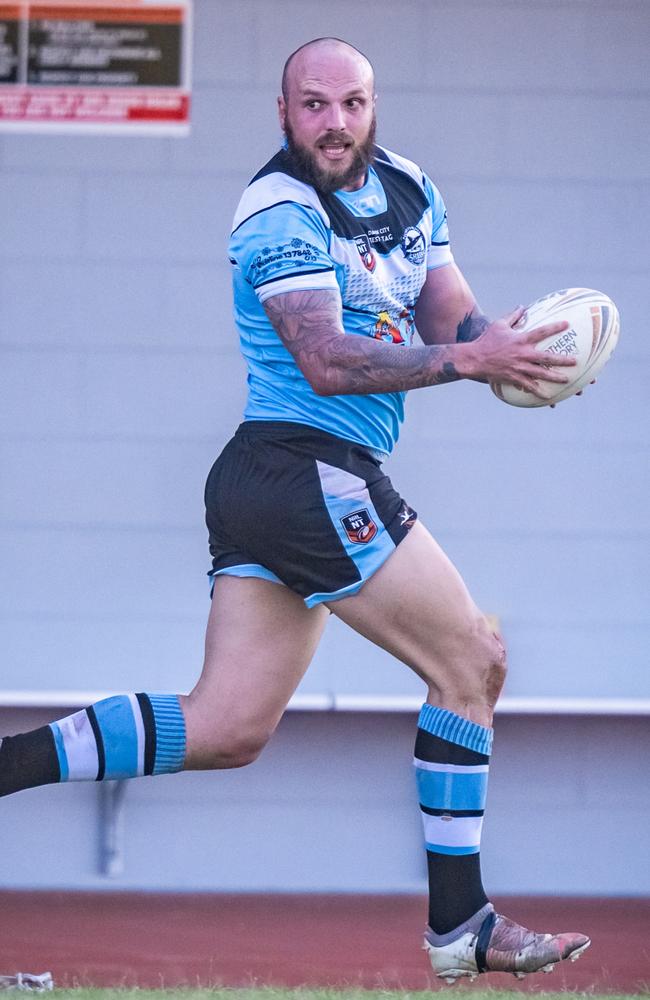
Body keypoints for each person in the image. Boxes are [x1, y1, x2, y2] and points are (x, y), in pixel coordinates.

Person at [0, 37, 591, 983]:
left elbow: (455, 322)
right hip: (303, 466)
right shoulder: (275, 208)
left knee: (228, 726)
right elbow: (324, 357)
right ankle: (461, 924)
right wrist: (467, 364)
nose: (335, 122)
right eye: (314, 105)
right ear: (284, 113)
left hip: (278, 482)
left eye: (352, 103)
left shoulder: (410, 186)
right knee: (473, 657)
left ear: (373, 106)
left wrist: (515, 348)